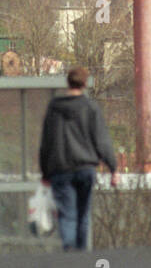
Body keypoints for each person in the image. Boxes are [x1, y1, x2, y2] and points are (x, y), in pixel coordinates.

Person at [38, 66, 118, 252]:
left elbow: (46, 141)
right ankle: (82, 256)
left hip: (60, 169)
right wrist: (113, 167)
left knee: (67, 214)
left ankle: (69, 252)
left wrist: (45, 172)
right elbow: (101, 140)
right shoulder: (90, 107)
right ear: (84, 83)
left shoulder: (54, 107)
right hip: (85, 168)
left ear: (68, 82)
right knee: (83, 215)